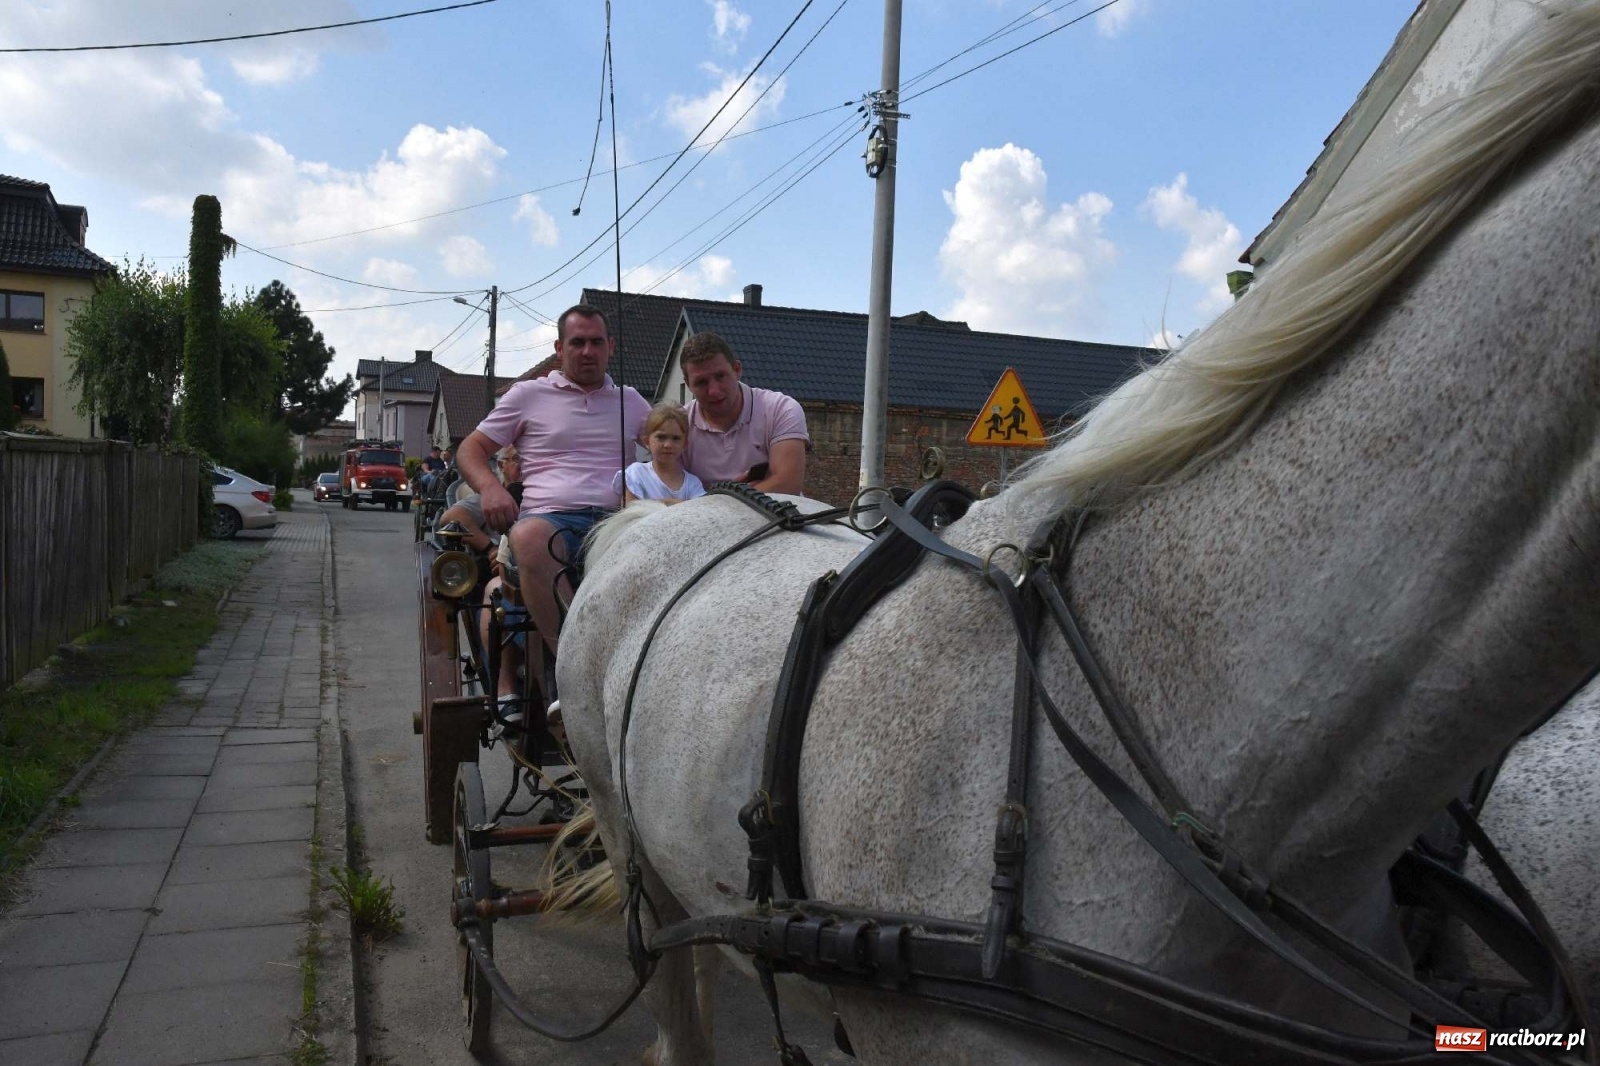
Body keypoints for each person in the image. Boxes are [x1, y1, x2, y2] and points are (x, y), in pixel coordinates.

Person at [457, 303, 649, 656]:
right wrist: (490, 487)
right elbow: (470, 449)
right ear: (559, 349)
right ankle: (572, 659)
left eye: (596, 342)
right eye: (577, 343)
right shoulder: (528, 395)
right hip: (550, 520)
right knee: (528, 537)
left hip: (618, 519)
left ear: (611, 347)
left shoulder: (632, 401)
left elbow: (678, 447)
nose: (587, 352)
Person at [679, 331, 808, 494]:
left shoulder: (780, 409)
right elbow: (671, 489)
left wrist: (721, 499)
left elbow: (788, 485)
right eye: (701, 382)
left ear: (737, 369)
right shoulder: (678, 425)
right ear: (688, 384)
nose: (714, 390)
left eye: (720, 376)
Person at [618, 403, 705, 505]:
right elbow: (631, 511)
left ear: (685, 445)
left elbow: (698, 512)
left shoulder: (693, 484)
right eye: (661, 437)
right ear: (646, 441)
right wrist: (673, 503)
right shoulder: (636, 474)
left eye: (676, 438)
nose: (668, 445)